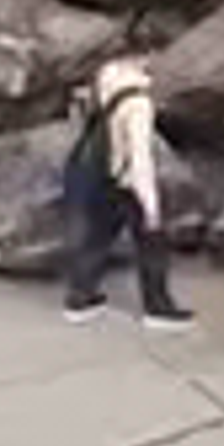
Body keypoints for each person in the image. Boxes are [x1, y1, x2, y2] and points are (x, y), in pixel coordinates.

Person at [59, 45, 187, 327]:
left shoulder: (105, 77)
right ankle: (158, 307)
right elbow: (140, 156)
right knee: (151, 242)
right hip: (126, 179)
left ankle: (80, 298)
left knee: (97, 237)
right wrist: (150, 204)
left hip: (99, 171)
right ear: (145, 57)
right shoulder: (139, 103)